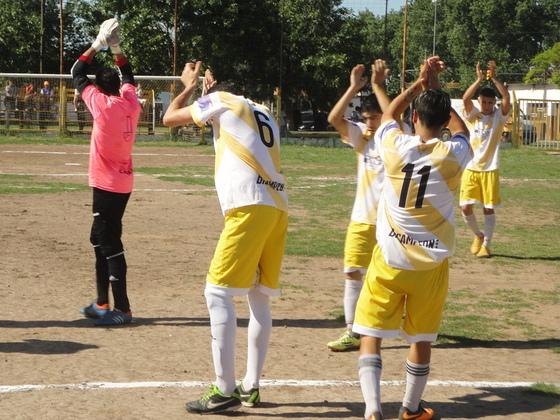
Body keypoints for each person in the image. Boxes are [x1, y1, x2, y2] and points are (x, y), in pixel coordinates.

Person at [163, 62, 288, 415]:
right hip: (277, 206)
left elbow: (169, 119)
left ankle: (222, 389)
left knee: (216, 292)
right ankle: (251, 386)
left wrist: (188, 87)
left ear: (219, 87)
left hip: (248, 206)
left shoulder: (221, 99)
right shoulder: (262, 110)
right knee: (259, 298)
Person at [353, 56, 472, 420]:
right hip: (431, 263)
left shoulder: (394, 146)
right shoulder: (453, 154)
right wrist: (436, 89)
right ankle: (410, 408)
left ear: (415, 118)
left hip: (390, 256)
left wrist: (419, 85)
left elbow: (390, 115)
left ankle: (373, 409)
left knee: (371, 333)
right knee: (421, 338)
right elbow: (463, 131)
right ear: (442, 121)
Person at [71, 18, 142, 326]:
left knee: (110, 244)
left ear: (99, 88)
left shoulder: (100, 103)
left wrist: (99, 43)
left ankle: (122, 309)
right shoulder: (130, 102)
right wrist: (117, 48)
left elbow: (77, 72)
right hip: (122, 183)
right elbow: (128, 74)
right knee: (98, 239)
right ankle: (102, 303)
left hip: (106, 185)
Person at [325, 60, 392, 352]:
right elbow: (334, 119)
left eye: (375, 118)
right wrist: (354, 87)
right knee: (352, 273)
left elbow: (394, 119)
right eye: (366, 118)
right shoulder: (362, 139)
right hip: (362, 220)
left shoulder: (396, 139)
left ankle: (391, 325)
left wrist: (379, 87)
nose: (369, 124)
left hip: (391, 222)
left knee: (389, 277)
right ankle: (352, 331)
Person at [460, 60, 511, 258]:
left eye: (490, 102)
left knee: (488, 209)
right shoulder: (473, 115)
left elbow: (506, 96)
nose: (487, 105)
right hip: (471, 168)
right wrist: (479, 79)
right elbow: (465, 98)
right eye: (484, 102)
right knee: (465, 207)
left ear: (494, 104)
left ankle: (487, 246)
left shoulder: (499, 116)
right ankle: (477, 235)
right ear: (479, 102)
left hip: (490, 169)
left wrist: (495, 78)